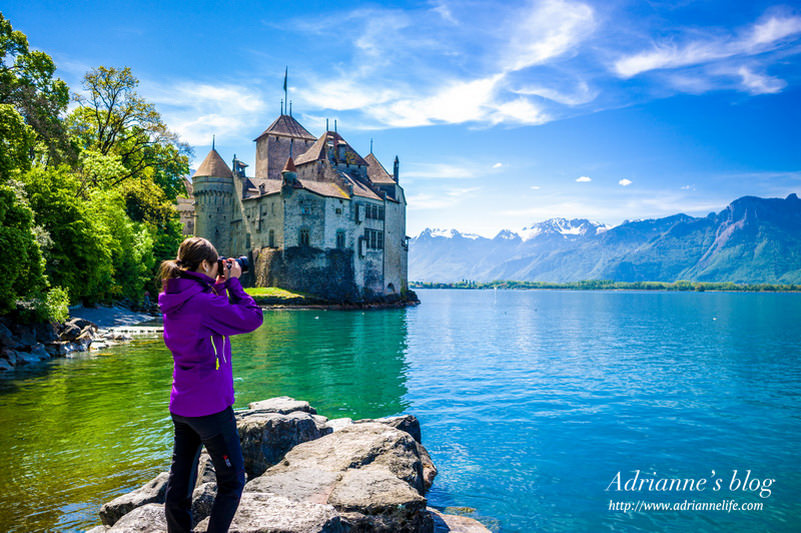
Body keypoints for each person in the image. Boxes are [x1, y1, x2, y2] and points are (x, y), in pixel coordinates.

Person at [158, 237, 263, 532]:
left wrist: (217, 284)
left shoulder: (174, 297)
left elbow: (204, 312)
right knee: (232, 481)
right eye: (216, 264)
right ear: (206, 264)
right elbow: (252, 318)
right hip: (211, 408)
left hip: (182, 404)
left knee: (181, 479)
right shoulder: (204, 304)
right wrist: (234, 284)